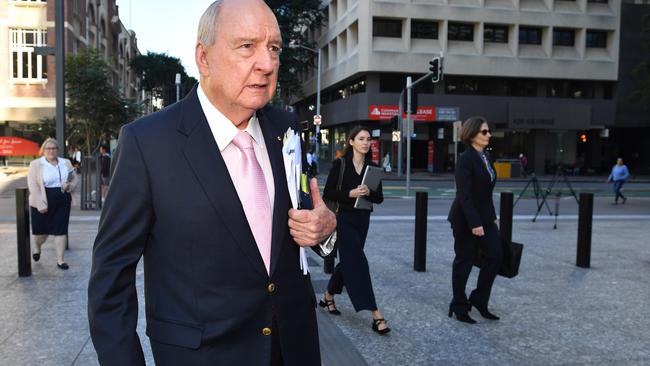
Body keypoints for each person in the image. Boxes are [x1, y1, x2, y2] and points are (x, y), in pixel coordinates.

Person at [87, 1, 336, 365]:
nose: (266, 64)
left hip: (294, 348)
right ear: (204, 58)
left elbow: (304, 224)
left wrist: (326, 230)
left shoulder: (286, 128)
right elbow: (110, 279)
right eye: (247, 46)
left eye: (274, 48)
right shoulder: (148, 143)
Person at [321, 126, 390, 335]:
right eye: (361, 139)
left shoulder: (373, 167)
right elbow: (329, 192)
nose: (366, 143)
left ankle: (328, 296)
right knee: (358, 262)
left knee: (350, 260)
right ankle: (376, 314)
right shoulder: (340, 164)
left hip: (363, 220)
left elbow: (379, 198)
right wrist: (350, 193)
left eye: (369, 139)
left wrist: (369, 192)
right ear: (351, 141)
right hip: (343, 219)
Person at [447, 116, 502, 324]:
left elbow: (486, 193)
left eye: (489, 131)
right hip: (465, 219)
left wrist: (492, 217)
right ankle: (459, 305)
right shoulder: (466, 159)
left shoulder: (486, 157)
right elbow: (465, 195)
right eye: (484, 132)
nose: (489, 135)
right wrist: (475, 223)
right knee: (464, 261)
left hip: (486, 218)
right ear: (472, 135)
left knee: (496, 256)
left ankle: (479, 298)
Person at [27, 138, 77, 270]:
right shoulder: (36, 164)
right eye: (48, 148)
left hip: (62, 200)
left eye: (54, 148)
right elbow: (33, 185)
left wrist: (69, 185)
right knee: (40, 233)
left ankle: (60, 260)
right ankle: (37, 247)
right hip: (43, 200)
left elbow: (74, 178)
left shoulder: (65, 162)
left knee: (61, 230)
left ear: (57, 150)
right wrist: (40, 204)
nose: (51, 151)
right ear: (43, 150)